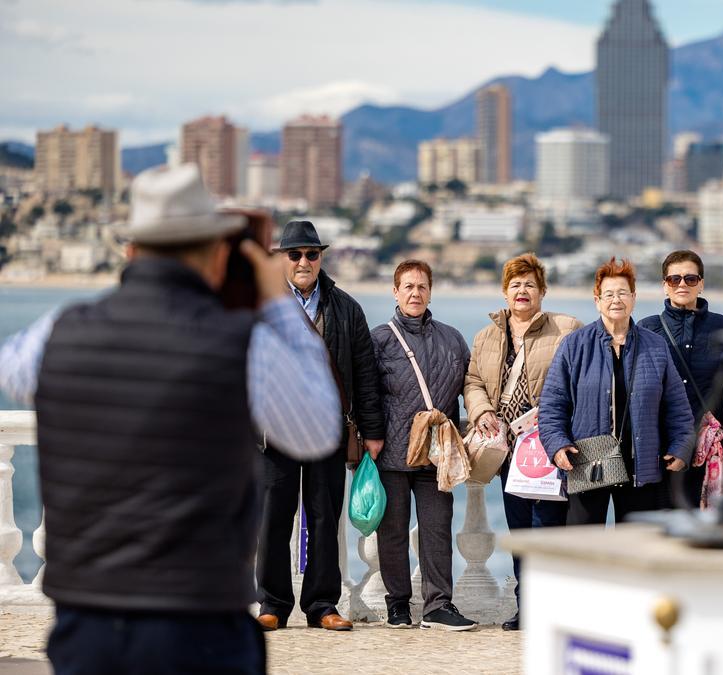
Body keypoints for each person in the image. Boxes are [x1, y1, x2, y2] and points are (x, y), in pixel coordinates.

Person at [0, 164, 342, 674]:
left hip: (86, 621)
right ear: (217, 254)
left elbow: (13, 371)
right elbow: (317, 429)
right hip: (199, 620)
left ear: (131, 252)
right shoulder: (242, 344)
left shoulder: (57, 333)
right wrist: (274, 304)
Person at [256, 220, 385, 632]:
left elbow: (365, 375)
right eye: (295, 254)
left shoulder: (347, 308)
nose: (303, 261)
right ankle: (273, 603)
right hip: (274, 431)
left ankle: (322, 604)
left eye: (311, 254)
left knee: (325, 517)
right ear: (282, 258)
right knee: (273, 518)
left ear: (321, 258)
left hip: (328, 429)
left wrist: (372, 431)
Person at [463, 253, 581, 631]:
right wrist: (481, 411)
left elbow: (580, 379)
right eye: (515, 285)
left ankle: (552, 609)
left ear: (542, 291)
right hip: (509, 451)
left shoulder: (566, 328)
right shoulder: (486, 336)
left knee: (548, 529)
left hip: (548, 447)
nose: (522, 291)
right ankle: (526, 608)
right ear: (505, 292)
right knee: (520, 530)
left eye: (530, 284)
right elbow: (473, 381)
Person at [539, 257, 694, 524]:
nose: (616, 300)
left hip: (641, 463)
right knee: (584, 542)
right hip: (587, 461)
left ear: (633, 298)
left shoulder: (655, 346)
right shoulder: (575, 345)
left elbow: (677, 406)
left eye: (623, 293)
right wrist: (557, 446)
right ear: (597, 300)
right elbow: (552, 405)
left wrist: (681, 447)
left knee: (637, 542)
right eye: (608, 294)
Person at [370, 260, 477, 631]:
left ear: (430, 292)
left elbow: (471, 386)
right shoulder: (379, 339)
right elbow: (367, 394)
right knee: (392, 532)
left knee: (437, 530)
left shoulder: (452, 339)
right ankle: (398, 604)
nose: (415, 293)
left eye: (422, 287)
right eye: (408, 287)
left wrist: (483, 415)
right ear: (395, 292)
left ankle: (438, 606)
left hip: (437, 455)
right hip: (392, 453)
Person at [636, 250, 723, 507]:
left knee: (707, 521)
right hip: (658, 447)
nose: (682, 284)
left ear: (701, 284)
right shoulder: (646, 329)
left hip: (711, 445)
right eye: (674, 279)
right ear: (665, 285)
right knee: (655, 521)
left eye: (690, 279)